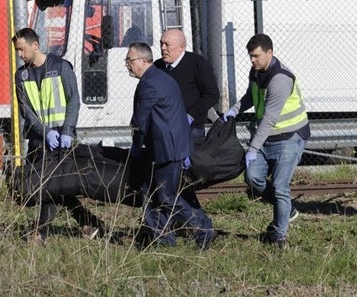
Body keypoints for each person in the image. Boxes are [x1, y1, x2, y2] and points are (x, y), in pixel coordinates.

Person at [13, 27, 103, 241]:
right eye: (17, 50)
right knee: (54, 186)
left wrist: (67, 131)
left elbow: (73, 100)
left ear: (35, 46)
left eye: (22, 50)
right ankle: (89, 223)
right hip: (39, 140)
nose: (19, 55)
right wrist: (45, 133)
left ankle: (39, 233)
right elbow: (25, 109)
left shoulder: (61, 67)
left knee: (50, 185)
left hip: (63, 141)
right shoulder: (21, 75)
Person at [222, 33, 310, 248]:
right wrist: (235, 110)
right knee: (252, 178)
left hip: (289, 138)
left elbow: (269, 119)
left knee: (280, 186)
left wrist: (252, 149)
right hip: (267, 138)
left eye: (256, 56)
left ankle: (279, 236)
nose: (252, 60)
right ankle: (287, 210)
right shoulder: (257, 71)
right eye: (250, 56)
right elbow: (251, 96)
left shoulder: (280, 79)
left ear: (269, 53)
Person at [126, 42, 215, 249]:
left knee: (166, 196)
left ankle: (202, 229)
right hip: (171, 146)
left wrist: (136, 147)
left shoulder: (148, 83)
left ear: (142, 61)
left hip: (165, 149)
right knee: (148, 192)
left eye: (130, 61)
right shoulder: (160, 77)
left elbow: (140, 121)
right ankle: (163, 239)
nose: (128, 65)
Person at [154, 29, 220, 207]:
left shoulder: (197, 63)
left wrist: (191, 115)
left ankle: (193, 218)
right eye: (161, 43)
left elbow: (212, 94)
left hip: (191, 130)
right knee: (170, 178)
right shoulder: (159, 67)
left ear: (181, 47)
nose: (163, 48)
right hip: (165, 131)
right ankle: (191, 219)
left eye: (167, 44)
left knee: (183, 178)